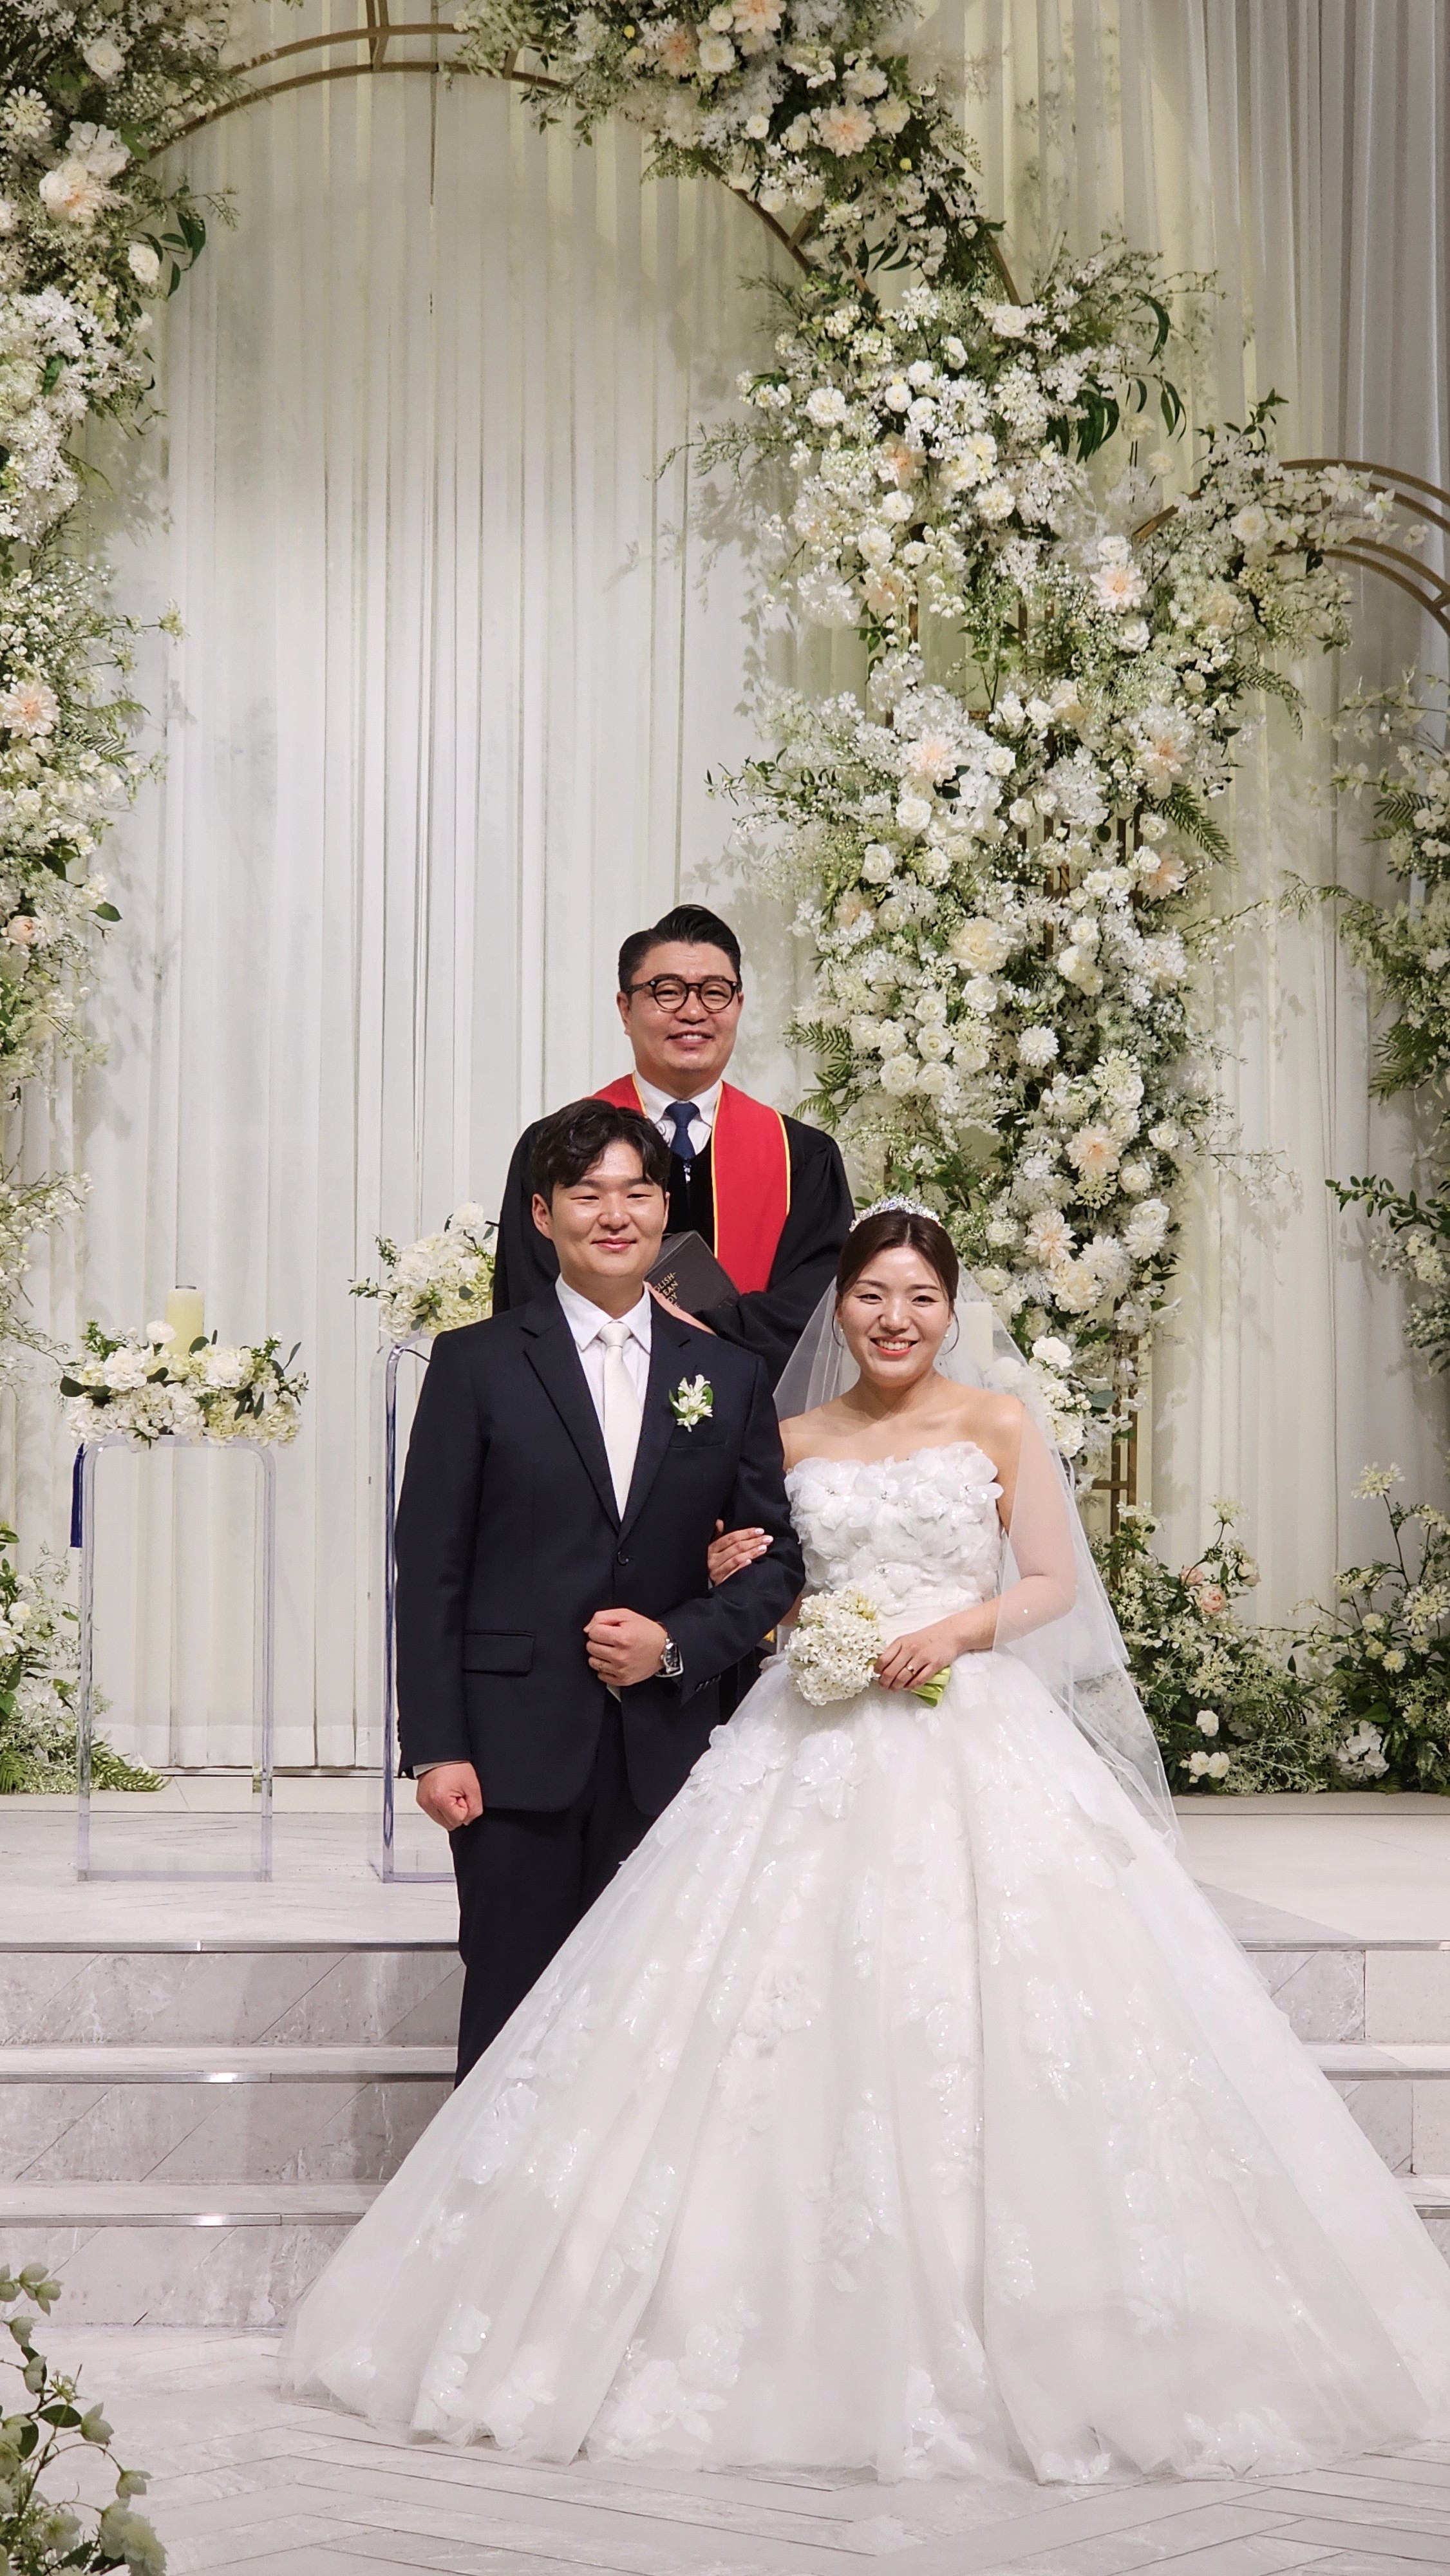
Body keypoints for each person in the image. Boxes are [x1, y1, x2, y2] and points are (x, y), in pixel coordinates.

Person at [286, 1205, 1450, 2482]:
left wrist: (953, 1630)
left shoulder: (998, 1423)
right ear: (837, 1310)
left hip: (971, 1731)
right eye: (872, 1297)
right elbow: (762, 1579)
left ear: (949, 1310)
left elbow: (1051, 1581)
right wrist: (744, 1575)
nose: (896, 1319)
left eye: (920, 1298)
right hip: (813, 1732)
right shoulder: (786, 1435)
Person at [392, 1096, 804, 2083]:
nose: (614, 1214)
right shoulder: (476, 1363)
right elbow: (430, 1564)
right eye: (587, 1194)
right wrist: (438, 1747)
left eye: (637, 1192)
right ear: (543, 1215)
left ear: (666, 1212)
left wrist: (676, 1643)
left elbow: (776, 1560)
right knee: (511, 2006)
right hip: (512, 1752)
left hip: (670, 1748)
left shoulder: (729, 1373)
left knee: (655, 2017)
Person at [491, 903, 854, 1388]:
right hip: (591, 1404)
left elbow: (815, 1306)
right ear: (625, 1009)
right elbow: (530, 1300)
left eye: (714, 993)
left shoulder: (802, 1157)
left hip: (750, 1410)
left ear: (739, 1006)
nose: (693, 1012)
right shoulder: (554, 1145)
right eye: (667, 992)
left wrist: (699, 1337)